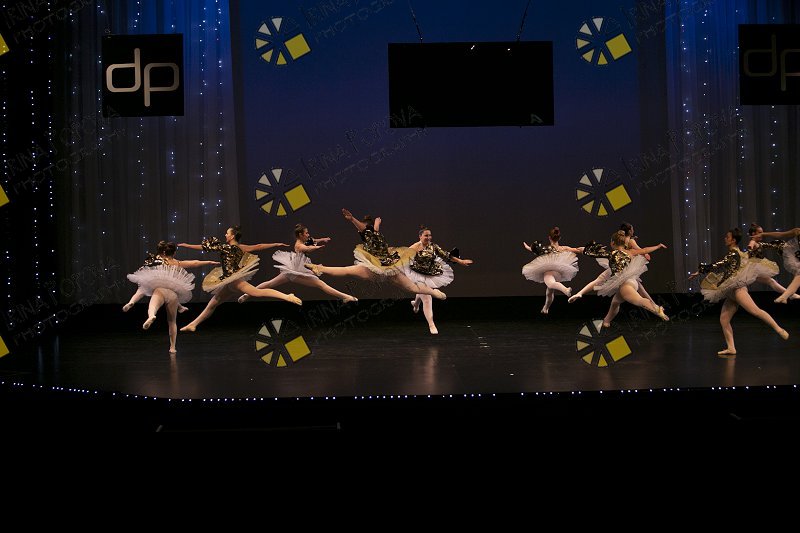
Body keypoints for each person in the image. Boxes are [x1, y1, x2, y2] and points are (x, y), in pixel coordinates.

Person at [178, 225, 301, 332]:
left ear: (232, 236)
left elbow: (204, 247)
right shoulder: (240, 247)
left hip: (234, 280)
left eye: (227, 233)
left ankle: (287, 296)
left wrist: (187, 245)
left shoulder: (225, 247)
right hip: (229, 281)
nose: (225, 235)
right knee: (213, 303)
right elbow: (258, 246)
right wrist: (275, 244)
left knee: (256, 292)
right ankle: (193, 324)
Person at [303, 209, 448, 300]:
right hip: (378, 266)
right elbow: (363, 228)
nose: (365, 229)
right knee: (348, 270)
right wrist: (352, 219)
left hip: (387, 265)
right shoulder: (367, 232)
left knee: (411, 288)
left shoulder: (374, 233)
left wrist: (375, 224)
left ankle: (433, 292)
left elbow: (373, 231)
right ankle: (319, 268)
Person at [689, 228, 788, 357]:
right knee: (724, 319)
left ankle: (779, 329)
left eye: (728, 237)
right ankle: (731, 348)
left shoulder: (734, 253)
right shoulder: (735, 253)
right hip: (731, 291)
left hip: (738, 290)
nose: (725, 238)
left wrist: (701, 270)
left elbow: (718, 264)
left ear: (733, 240)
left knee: (756, 311)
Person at [126, 241, 219, 353]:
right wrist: (209, 262)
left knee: (148, 298)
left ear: (162, 252)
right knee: (172, 321)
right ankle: (173, 347)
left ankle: (150, 315)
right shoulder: (176, 263)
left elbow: (146, 272)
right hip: (173, 295)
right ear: (174, 253)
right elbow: (194, 263)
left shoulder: (157, 260)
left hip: (160, 291)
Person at [238, 223, 357, 303]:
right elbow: (307, 248)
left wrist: (322, 239)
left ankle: (247, 294)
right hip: (297, 271)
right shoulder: (299, 245)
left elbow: (313, 240)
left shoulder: (305, 240)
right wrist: (317, 248)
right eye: (306, 233)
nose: (308, 235)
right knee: (321, 284)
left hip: (292, 269)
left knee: (270, 283)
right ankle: (345, 297)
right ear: (300, 235)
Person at [582, 230, 670, 327]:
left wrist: (584, 250)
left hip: (626, 284)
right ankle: (606, 321)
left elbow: (594, 253)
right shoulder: (631, 252)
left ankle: (657, 309)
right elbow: (645, 250)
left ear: (612, 243)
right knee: (615, 302)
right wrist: (658, 246)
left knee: (639, 300)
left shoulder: (612, 254)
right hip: (632, 281)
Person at [405, 226, 473, 334]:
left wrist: (461, 261)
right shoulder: (415, 246)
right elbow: (403, 256)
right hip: (418, 274)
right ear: (420, 236)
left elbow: (446, 255)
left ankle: (416, 304)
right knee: (427, 298)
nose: (428, 237)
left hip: (430, 273)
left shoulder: (433, 246)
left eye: (430, 235)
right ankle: (431, 324)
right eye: (426, 235)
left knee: (422, 292)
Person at [569, 222, 656, 306]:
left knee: (599, 280)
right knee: (639, 287)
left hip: (618, 263)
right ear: (629, 231)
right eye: (632, 229)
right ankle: (653, 305)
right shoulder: (630, 240)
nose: (633, 230)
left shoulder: (622, 239)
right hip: (625, 266)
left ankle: (580, 293)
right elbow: (639, 250)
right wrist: (645, 254)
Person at [522, 226, 581, 314]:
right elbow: (577, 250)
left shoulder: (546, 249)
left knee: (550, 284)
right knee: (549, 292)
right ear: (559, 238)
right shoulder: (564, 248)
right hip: (558, 273)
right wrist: (586, 249)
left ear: (549, 238)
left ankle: (565, 290)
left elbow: (533, 249)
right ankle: (545, 308)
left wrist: (527, 247)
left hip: (549, 271)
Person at [752, 226, 800, 303]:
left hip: (753, 269)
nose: (761, 234)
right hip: (750, 269)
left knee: (771, 281)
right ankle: (788, 295)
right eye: (759, 232)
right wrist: (762, 235)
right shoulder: (797, 231)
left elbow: (767, 245)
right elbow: (780, 234)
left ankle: (788, 295)